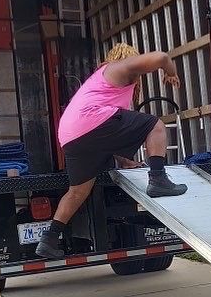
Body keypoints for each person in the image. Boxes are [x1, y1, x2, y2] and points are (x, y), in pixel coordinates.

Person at [35, 43, 188, 260]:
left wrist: (125, 162)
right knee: (156, 125)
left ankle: (49, 240)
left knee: (78, 191)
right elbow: (162, 57)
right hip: (92, 122)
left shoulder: (102, 84)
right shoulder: (121, 67)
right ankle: (158, 179)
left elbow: (114, 134)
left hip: (71, 135)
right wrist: (171, 73)